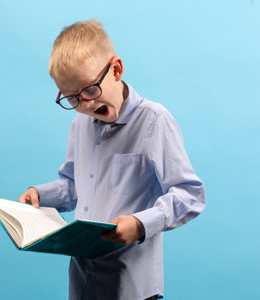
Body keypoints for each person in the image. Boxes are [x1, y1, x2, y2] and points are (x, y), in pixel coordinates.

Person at [18, 19, 206, 300]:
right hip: (83, 279)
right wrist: (39, 195)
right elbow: (73, 187)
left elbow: (190, 195)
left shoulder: (154, 122)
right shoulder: (79, 125)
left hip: (131, 284)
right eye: (72, 99)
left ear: (116, 70)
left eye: (90, 91)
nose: (86, 105)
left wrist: (141, 224)